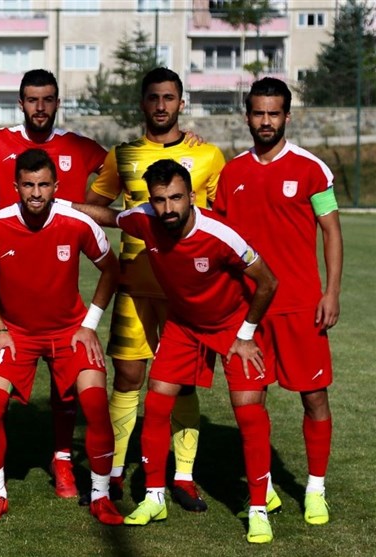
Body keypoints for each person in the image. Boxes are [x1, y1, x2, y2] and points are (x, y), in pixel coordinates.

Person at [69, 158, 279, 543]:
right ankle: (154, 497)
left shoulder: (222, 235)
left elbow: (268, 282)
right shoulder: (145, 218)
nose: (168, 208)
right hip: (184, 324)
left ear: (192, 196)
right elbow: (111, 216)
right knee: (157, 400)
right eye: (160, 199)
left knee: (249, 414)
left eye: (176, 198)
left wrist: (247, 334)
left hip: (234, 325)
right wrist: (60, 205)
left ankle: (258, 509)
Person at [86, 68, 226, 510]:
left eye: (169, 97)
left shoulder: (208, 156)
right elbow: (94, 207)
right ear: (142, 103)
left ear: (181, 103)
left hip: (188, 294)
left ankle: (182, 476)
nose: (161, 105)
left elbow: (223, 218)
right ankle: (113, 472)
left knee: (181, 384)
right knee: (129, 376)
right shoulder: (122, 155)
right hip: (134, 286)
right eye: (153, 97)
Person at [214, 77, 343, 526]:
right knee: (250, 403)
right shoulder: (232, 173)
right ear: (247, 116)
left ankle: (315, 489)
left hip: (300, 306)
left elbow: (331, 232)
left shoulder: (312, 169)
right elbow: (222, 243)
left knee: (314, 398)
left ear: (287, 116)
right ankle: (262, 487)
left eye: (273, 113)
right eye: (258, 113)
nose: (265, 121)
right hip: (247, 312)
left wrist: (331, 292)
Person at [0, 149, 123, 525]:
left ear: (56, 186)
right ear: (16, 186)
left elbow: (111, 269)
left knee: (95, 404)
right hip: (16, 333)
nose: (36, 193)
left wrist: (90, 324)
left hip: (70, 331)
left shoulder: (77, 222)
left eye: (43, 185)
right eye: (28, 185)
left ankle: (101, 496)